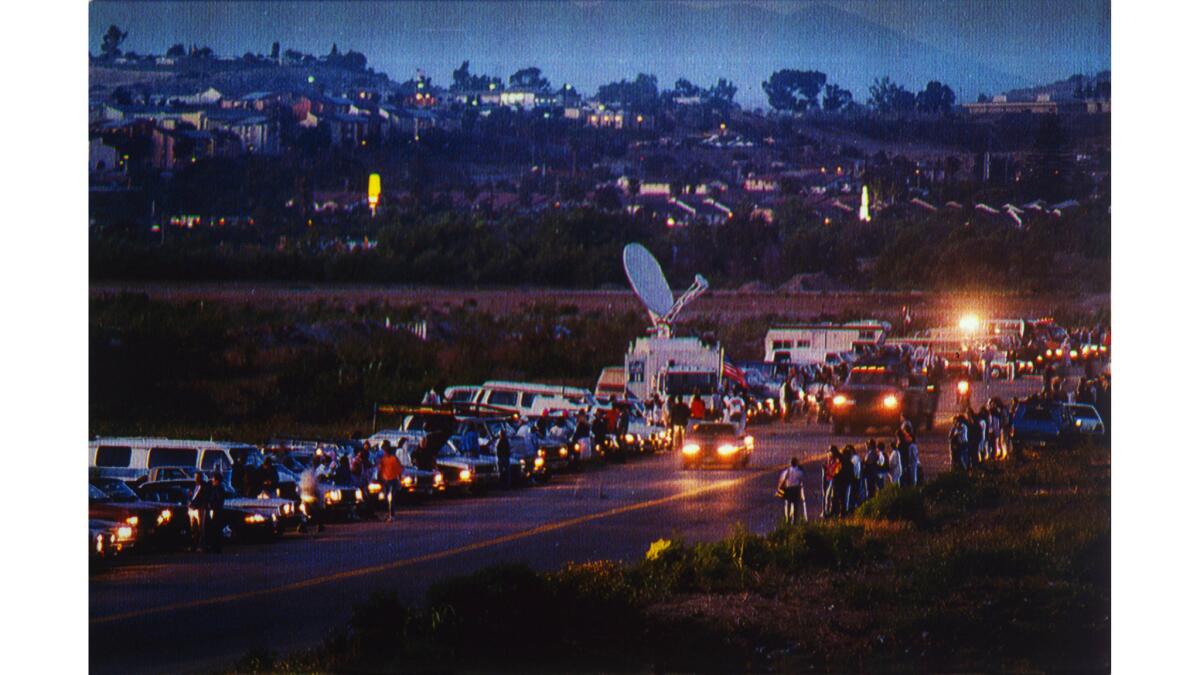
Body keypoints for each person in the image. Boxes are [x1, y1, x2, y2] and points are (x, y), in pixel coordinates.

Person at [377, 443, 404, 522]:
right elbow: (380, 470)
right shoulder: (383, 460)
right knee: (386, 498)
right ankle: (388, 513)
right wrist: (379, 479)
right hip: (386, 481)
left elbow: (399, 470)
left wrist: (400, 480)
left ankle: (392, 515)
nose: (385, 453)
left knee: (390, 497)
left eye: (385, 451)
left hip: (393, 480)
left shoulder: (394, 459)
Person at [778, 457, 807, 524]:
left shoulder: (786, 471)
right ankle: (794, 520)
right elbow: (802, 478)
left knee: (788, 505)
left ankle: (787, 519)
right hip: (796, 489)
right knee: (795, 505)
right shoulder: (799, 472)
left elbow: (782, 479)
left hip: (788, 489)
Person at [204, 471, 225, 553]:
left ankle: (215, 547)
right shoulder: (220, 488)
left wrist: (211, 504)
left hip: (216, 511)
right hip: (218, 510)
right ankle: (216, 546)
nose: (212, 480)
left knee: (215, 529)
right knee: (217, 529)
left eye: (213, 479)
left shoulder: (217, 489)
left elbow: (215, 500)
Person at [188, 472, 208, 552]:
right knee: (193, 528)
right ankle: (194, 545)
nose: (196, 479)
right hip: (192, 508)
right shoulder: (194, 486)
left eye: (197, 477)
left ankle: (201, 545)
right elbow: (191, 496)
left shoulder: (204, 487)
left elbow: (204, 498)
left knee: (201, 528)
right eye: (195, 477)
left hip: (200, 508)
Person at [822, 445, 841, 518]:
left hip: (835, 481)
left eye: (830, 451)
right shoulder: (831, 460)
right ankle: (828, 511)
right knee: (828, 496)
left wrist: (827, 470)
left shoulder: (837, 460)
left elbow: (835, 472)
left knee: (831, 497)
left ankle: (831, 512)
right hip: (831, 480)